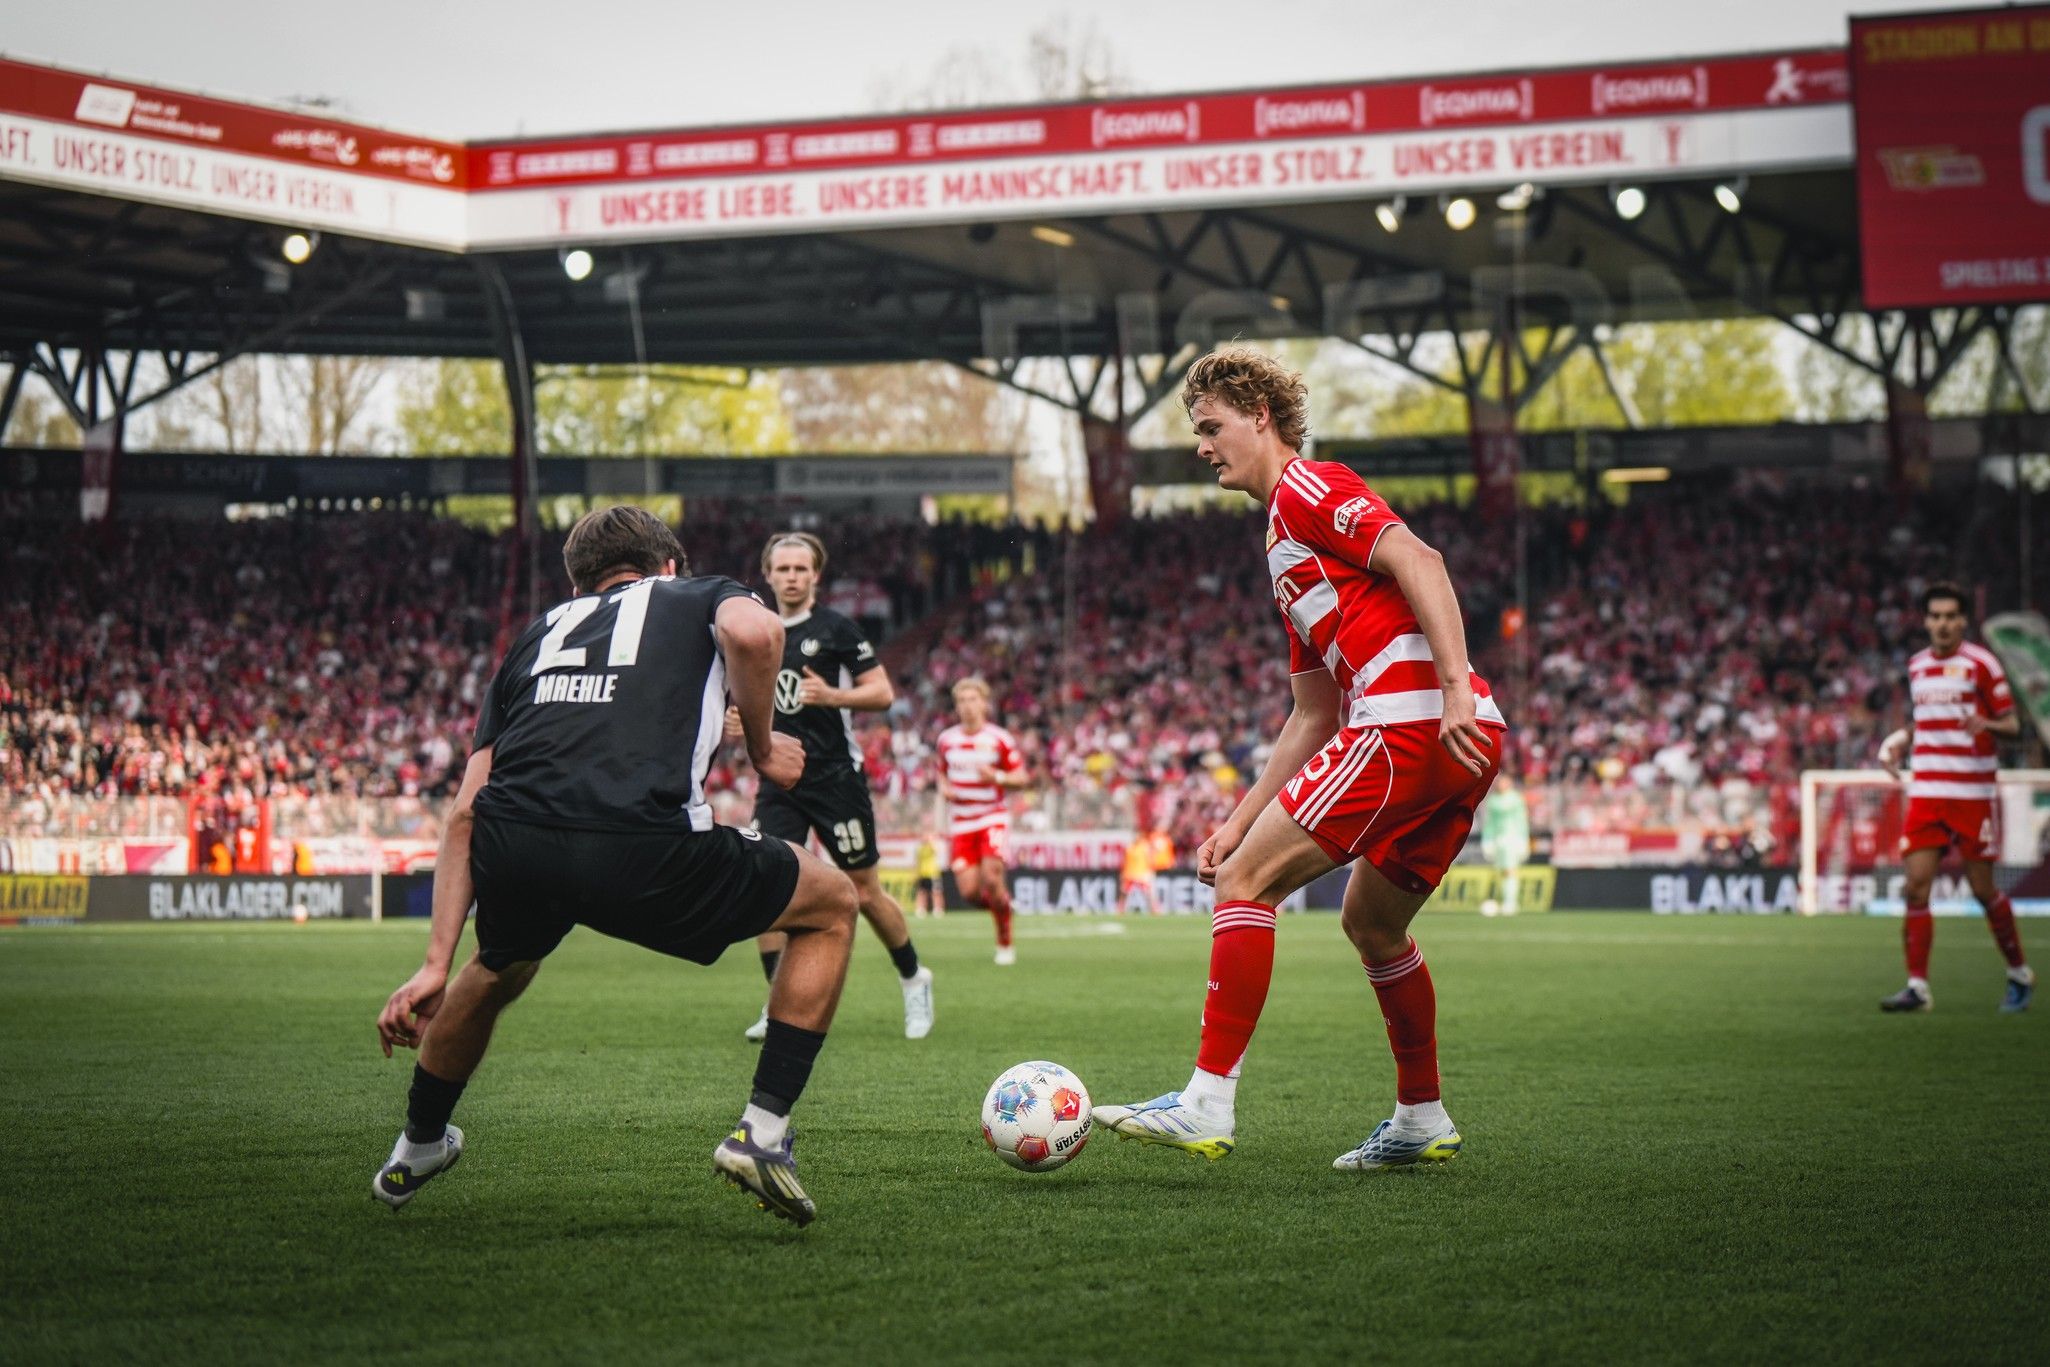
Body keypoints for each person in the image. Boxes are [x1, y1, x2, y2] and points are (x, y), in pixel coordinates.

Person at [371, 505, 858, 1227]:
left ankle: (416, 1145)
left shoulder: (535, 636)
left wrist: (434, 959)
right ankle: (762, 1132)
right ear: (667, 566)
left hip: (521, 841)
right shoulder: (695, 592)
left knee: (496, 965)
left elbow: (467, 811)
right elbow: (758, 631)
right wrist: (760, 746)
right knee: (832, 903)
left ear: (579, 584)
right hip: (643, 842)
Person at [1095, 346, 1507, 1171]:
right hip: (1457, 737)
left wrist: (1454, 686)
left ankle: (1205, 1102)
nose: (1202, 446)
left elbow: (1421, 560)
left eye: (1212, 427)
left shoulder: (1307, 487)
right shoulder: (1284, 543)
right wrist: (1236, 820)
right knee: (1373, 923)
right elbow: (1313, 711)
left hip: (1410, 722)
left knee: (1249, 885)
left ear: (1260, 415)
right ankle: (1422, 1117)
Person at [733, 532, 934, 1042]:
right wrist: (732, 720)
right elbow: (737, 695)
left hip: (834, 778)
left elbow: (882, 692)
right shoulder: (754, 630)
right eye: (784, 568)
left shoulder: (836, 628)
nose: (793, 576)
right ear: (769, 573)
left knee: (865, 892)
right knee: (766, 887)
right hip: (779, 778)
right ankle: (777, 1004)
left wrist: (832, 695)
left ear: (816, 575)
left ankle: (914, 978)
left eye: (802, 568)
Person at [1876, 583, 2029, 1013]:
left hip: (1971, 794)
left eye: (1949, 616)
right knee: (1915, 887)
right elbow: (1925, 720)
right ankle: (1917, 988)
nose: (1942, 624)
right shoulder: (1917, 666)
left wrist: (1987, 724)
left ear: (1963, 621)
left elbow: (2012, 724)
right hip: (1927, 791)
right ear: (1926, 621)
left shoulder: (1982, 664)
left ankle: (2019, 972)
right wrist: (1901, 738)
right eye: (1935, 616)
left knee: (1983, 891)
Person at [935, 677, 1028, 963]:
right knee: (970, 892)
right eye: (961, 701)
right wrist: (943, 787)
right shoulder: (946, 740)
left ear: (984, 704)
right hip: (961, 822)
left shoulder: (999, 739)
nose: (967, 706)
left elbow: (1021, 778)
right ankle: (1002, 906)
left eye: (973, 700)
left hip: (991, 817)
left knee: (992, 877)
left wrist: (997, 777)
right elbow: (941, 772)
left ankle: (1005, 943)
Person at [1478, 773, 1530, 916]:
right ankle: (1506, 900)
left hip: (1512, 838)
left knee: (1510, 870)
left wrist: (1523, 840)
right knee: (1502, 871)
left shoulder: (1516, 799)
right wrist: (1487, 840)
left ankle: (1511, 902)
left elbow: (1522, 821)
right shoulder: (1493, 801)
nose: (1501, 785)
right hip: (1498, 840)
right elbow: (1490, 823)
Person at [912, 828, 945, 917]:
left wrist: (931, 841)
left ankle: (938, 909)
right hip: (922, 874)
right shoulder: (920, 848)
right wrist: (916, 873)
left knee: (936, 892)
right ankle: (921, 909)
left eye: (927, 836)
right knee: (922, 892)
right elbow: (917, 862)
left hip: (933, 874)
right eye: (923, 836)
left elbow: (937, 850)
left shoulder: (933, 846)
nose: (925, 838)